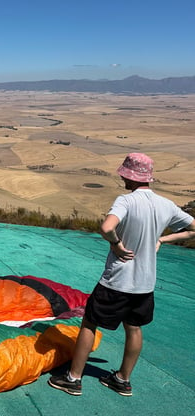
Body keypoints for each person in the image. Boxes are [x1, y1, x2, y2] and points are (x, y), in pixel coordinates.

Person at [48, 153, 195, 397]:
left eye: (123, 174)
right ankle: (122, 380)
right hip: (145, 284)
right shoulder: (166, 204)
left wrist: (116, 244)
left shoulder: (126, 201)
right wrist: (163, 238)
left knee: (89, 324)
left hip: (117, 280)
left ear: (130, 176)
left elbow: (106, 228)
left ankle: (73, 379)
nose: (121, 177)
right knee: (134, 328)